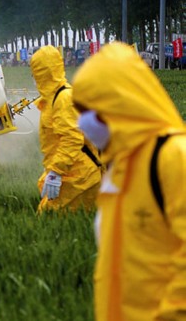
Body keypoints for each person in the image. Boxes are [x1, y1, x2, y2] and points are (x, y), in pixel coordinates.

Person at [72, 42, 186, 321]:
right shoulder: (120, 167)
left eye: (90, 111)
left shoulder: (173, 157)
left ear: (119, 104)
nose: (83, 123)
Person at [30, 45, 101, 213]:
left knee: (48, 221)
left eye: (35, 72)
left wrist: (56, 171)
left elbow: (72, 139)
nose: (33, 77)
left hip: (79, 178)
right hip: (71, 173)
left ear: (43, 72)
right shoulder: (53, 98)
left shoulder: (63, 98)